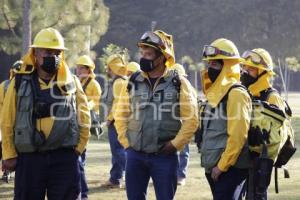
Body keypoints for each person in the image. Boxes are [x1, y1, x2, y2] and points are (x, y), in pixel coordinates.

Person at [1, 28, 91, 200]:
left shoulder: (72, 82)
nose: (53, 56)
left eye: (57, 52)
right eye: (48, 52)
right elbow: (7, 119)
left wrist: (78, 149)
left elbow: (84, 117)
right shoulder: (18, 82)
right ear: (35, 53)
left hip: (64, 158)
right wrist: (9, 153)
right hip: (29, 159)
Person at [114, 30, 199, 200]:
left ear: (162, 57)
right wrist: (127, 145)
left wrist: (175, 145)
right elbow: (120, 114)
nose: (144, 58)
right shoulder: (133, 81)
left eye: (149, 54)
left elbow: (192, 120)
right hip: (135, 156)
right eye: (142, 53)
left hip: (165, 158)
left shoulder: (179, 83)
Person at [199, 38, 252, 200]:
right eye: (209, 64)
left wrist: (222, 166)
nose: (210, 68)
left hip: (230, 168)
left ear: (227, 66)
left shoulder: (236, 93)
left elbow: (237, 136)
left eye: (215, 64)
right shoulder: (215, 93)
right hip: (215, 168)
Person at [240, 48, 286, 199]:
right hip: (242, 158)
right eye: (244, 67)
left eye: (251, 68)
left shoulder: (272, 97)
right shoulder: (245, 94)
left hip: (260, 162)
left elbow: (279, 136)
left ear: (263, 72)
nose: (245, 71)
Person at [76, 55, 102, 200]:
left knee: (80, 157)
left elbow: (96, 102)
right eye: (78, 67)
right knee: (79, 158)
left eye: (81, 68)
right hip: (77, 120)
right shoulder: (77, 81)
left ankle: (82, 192)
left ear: (88, 70)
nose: (78, 70)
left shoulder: (94, 84)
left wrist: (84, 106)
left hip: (88, 122)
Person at [101, 54, 128, 188]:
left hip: (117, 122)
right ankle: (116, 178)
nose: (108, 70)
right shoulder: (121, 81)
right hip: (119, 121)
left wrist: (110, 119)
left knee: (119, 151)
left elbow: (117, 103)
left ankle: (120, 179)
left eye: (109, 67)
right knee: (118, 151)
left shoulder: (118, 82)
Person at [170, 63, 192, 186]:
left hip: (184, 124)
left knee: (184, 151)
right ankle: (172, 174)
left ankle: (181, 176)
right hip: (171, 125)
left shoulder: (187, 89)